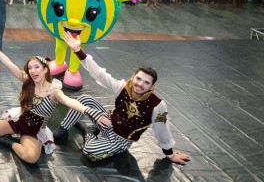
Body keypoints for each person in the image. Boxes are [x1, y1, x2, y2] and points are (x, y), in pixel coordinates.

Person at [51, 31, 191, 165]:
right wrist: (78, 50)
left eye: (146, 83)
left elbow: (162, 130)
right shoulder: (122, 87)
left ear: (152, 87)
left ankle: (89, 132)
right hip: (108, 121)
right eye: (139, 79)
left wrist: (170, 154)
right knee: (85, 99)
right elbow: (99, 73)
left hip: (121, 139)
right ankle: (63, 129)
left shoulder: (158, 106)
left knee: (89, 151)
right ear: (133, 77)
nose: (140, 84)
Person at [0, 40, 110, 163]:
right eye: (30, 68)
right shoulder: (27, 81)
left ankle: (10, 142)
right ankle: (11, 137)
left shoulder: (54, 91)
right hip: (19, 121)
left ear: (45, 69)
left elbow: (70, 101)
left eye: (36, 67)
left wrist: (91, 112)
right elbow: (9, 63)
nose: (32, 71)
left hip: (34, 131)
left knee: (31, 158)